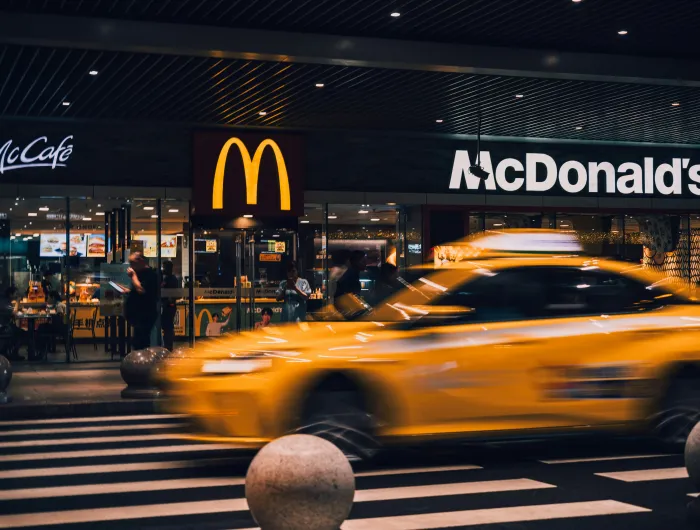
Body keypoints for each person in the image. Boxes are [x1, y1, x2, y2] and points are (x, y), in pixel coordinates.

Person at [125, 252, 159, 350]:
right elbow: (137, 290)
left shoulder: (150, 274)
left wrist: (133, 276)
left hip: (145, 314)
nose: (131, 266)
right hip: (138, 316)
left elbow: (141, 290)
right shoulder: (139, 273)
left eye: (133, 263)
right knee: (137, 341)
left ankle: (143, 362)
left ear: (141, 261)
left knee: (141, 341)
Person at [161, 260, 179, 351]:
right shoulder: (172, 279)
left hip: (169, 306)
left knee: (167, 326)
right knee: (168, 326)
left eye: (164, 267)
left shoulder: (170, 279)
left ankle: (168, 346)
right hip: (170, 305)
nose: (163, 269)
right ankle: (168, 345)